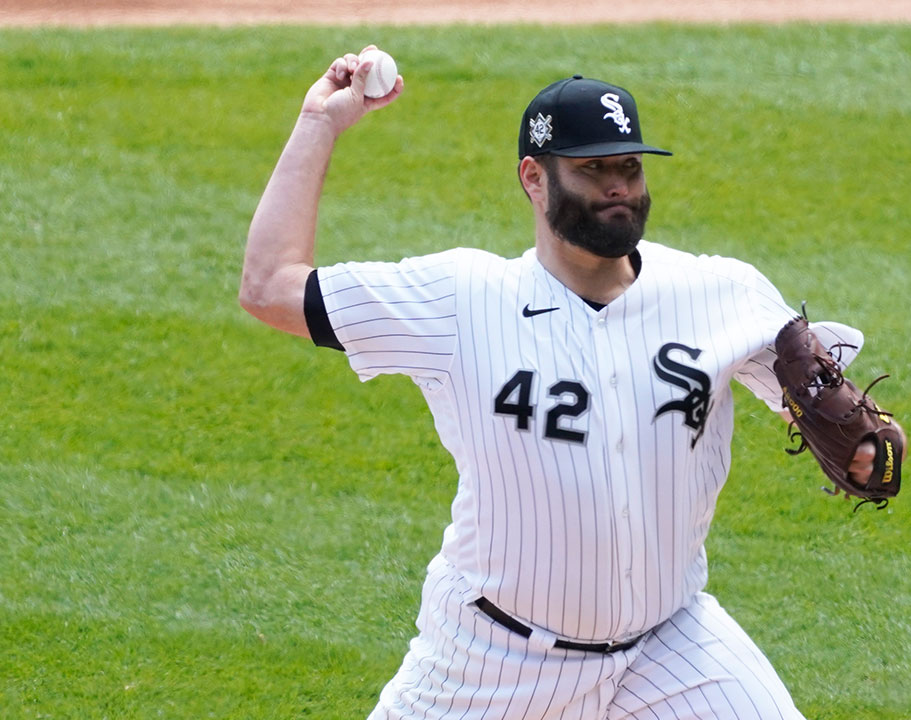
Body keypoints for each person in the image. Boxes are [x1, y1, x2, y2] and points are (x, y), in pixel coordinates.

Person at [240, 46, 875, 720]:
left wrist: (862, 446)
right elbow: (269, 288)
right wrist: (319, 122)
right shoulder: (461, 300)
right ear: (533, 179)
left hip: (671, 647)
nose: (617, 186)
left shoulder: (720, 293)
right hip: (491, 659)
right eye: (591, 168)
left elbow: (826, 409)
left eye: (628, 167)